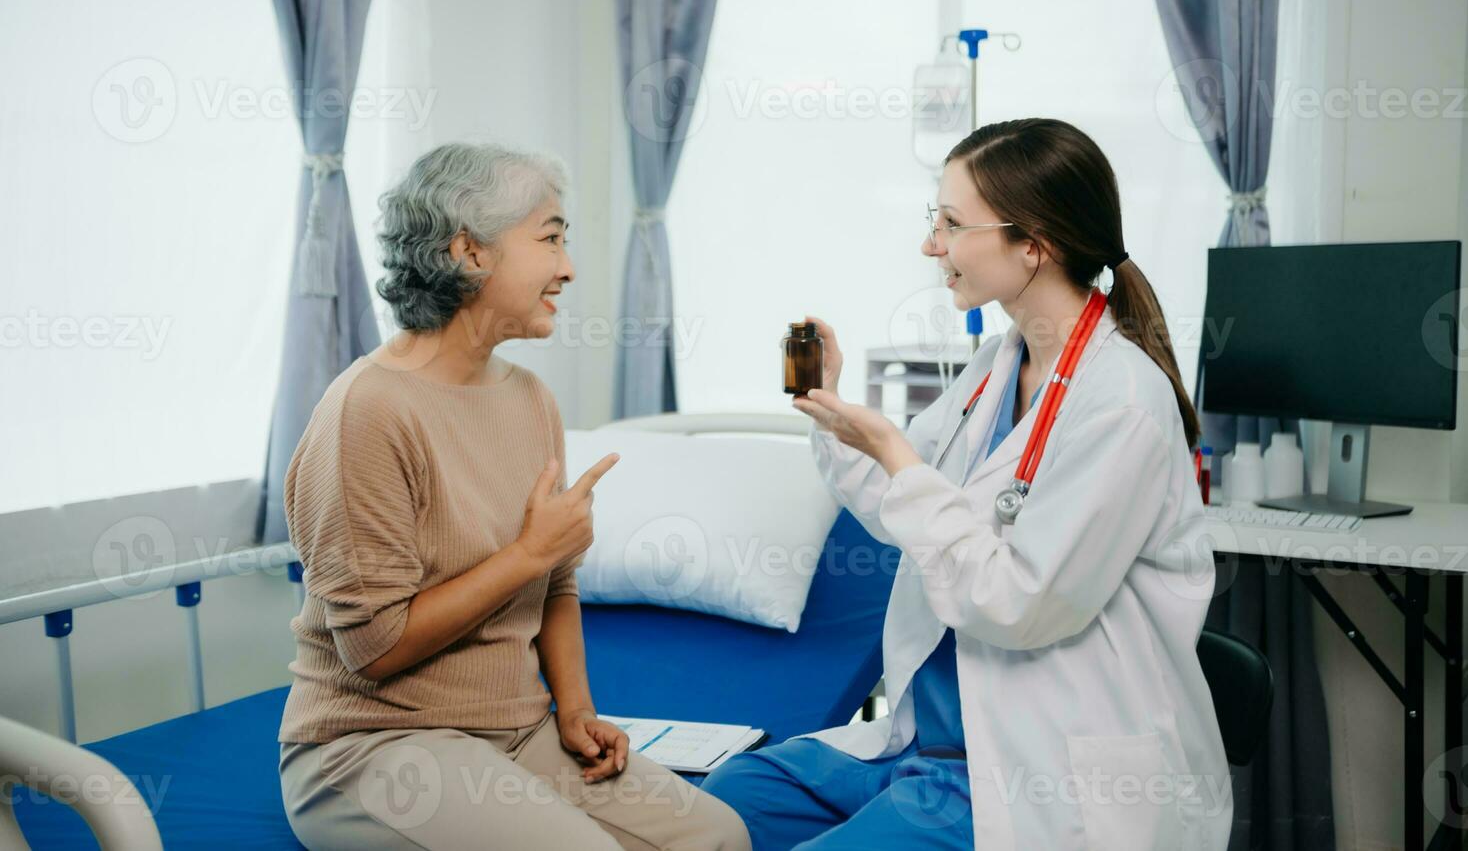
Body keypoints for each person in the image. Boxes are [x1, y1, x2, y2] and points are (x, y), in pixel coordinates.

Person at [703, 118, 1231, 850]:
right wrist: (836, 415)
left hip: (1028, 767)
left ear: (1033, 245)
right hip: (933, 744)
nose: (930, 246)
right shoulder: (998, 363)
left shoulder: (1123, 406)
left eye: (950, 224)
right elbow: (908, 511)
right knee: (723, 801)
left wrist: (899, 458)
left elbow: (1018, 605)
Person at [277, 142, 751, 851]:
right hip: (375, 743)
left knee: (718, 836)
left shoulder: (529, 400)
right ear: (470, 251)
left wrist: (575, 709)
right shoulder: (368, 412)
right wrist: (530, 552)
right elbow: (372, 649)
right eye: (551, 238)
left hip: (518, 730)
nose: (568, 268)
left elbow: (556, 580)